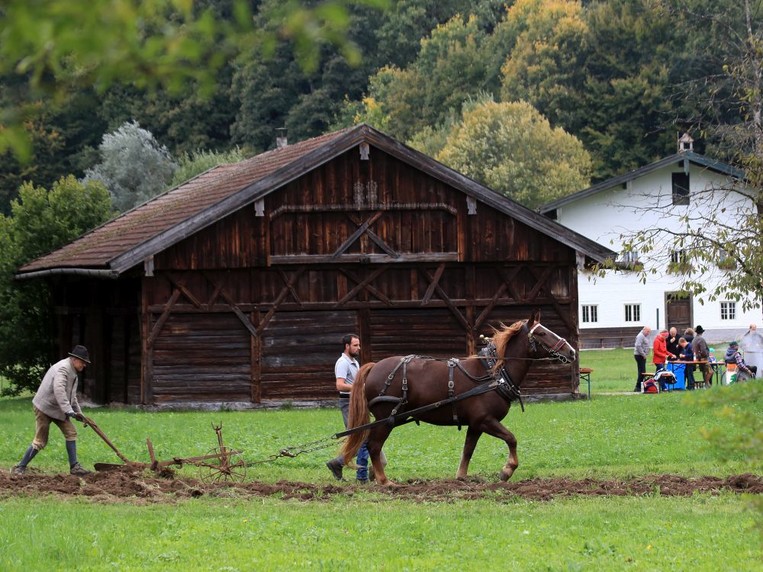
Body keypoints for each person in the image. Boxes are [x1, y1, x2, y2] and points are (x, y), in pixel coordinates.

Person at [11, 345, 92, 476]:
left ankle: (74, 467)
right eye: (83, 362)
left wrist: (79, 414)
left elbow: (72, 396)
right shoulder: (63, 369)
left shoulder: (73, 372)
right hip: (44, 408)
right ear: (75, 359)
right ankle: (20, 467)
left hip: (58, 408)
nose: (84, 365)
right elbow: (59, 391)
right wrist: (68, 411)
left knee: (71, 433)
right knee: (40, 441)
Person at [326, 334, 370, 483]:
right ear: (347, 346)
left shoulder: (354, 362)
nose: (359, 348)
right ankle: (340, 464)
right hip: (348, 403)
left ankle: (338, 463)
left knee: (363, 438)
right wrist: (359, 388)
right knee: (360, 439)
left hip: (357, 402)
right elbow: (339, 385)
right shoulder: (342, 362)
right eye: (355, 345)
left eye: (359, 345)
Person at [633, 325, 651, 392]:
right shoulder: (640, 336)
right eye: (648, 331)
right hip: (639, 355)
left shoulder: (644, 336)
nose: (648, 333)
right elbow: (638, 345)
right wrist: (643, 354)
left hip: (642, 356)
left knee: (642, 371)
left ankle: (640, 386)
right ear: (644, 330)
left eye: (649, 332)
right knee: (642, 372)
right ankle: (638, 387)